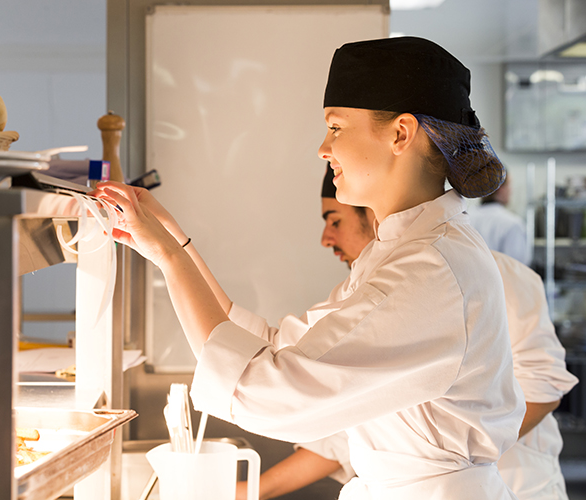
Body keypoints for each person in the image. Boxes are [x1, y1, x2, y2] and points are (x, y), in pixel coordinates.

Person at [96, 36, 525, 499]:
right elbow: (275, 346)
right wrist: (175, 241)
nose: (323, 148)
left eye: (336, 127)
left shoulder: (432, 271)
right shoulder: (399, 254)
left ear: (400, 133)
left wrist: (170, 255)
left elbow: (268, 392)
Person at [235, 168, 578, 500]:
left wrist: (457, 460)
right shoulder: (362, 295)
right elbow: (353, 430)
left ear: (373, 215)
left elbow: (543, 387)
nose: (326, 238)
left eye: (334, 221)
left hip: (519, 485)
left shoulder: (495, 276)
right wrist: (251, 492)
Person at [468, 174, 531, 266]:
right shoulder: (513, 223)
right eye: (509, 185)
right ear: (499, 188)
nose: (511, 190)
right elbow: (518, 268)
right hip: (503, 280)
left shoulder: (466, 218)